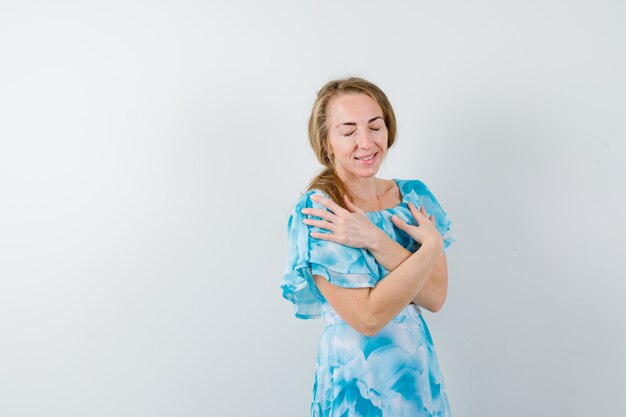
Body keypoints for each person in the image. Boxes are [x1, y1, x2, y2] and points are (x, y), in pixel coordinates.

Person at [280, 76, 456, 417]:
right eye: (348, 132)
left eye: (375, 127)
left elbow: (435, 297)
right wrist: (427, 250)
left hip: (418, 376)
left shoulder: (414, 196)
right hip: (357, 382)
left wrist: (375, 239)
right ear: (327, 142)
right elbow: (368, 317)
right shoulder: (323, 210)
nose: (366, 142)